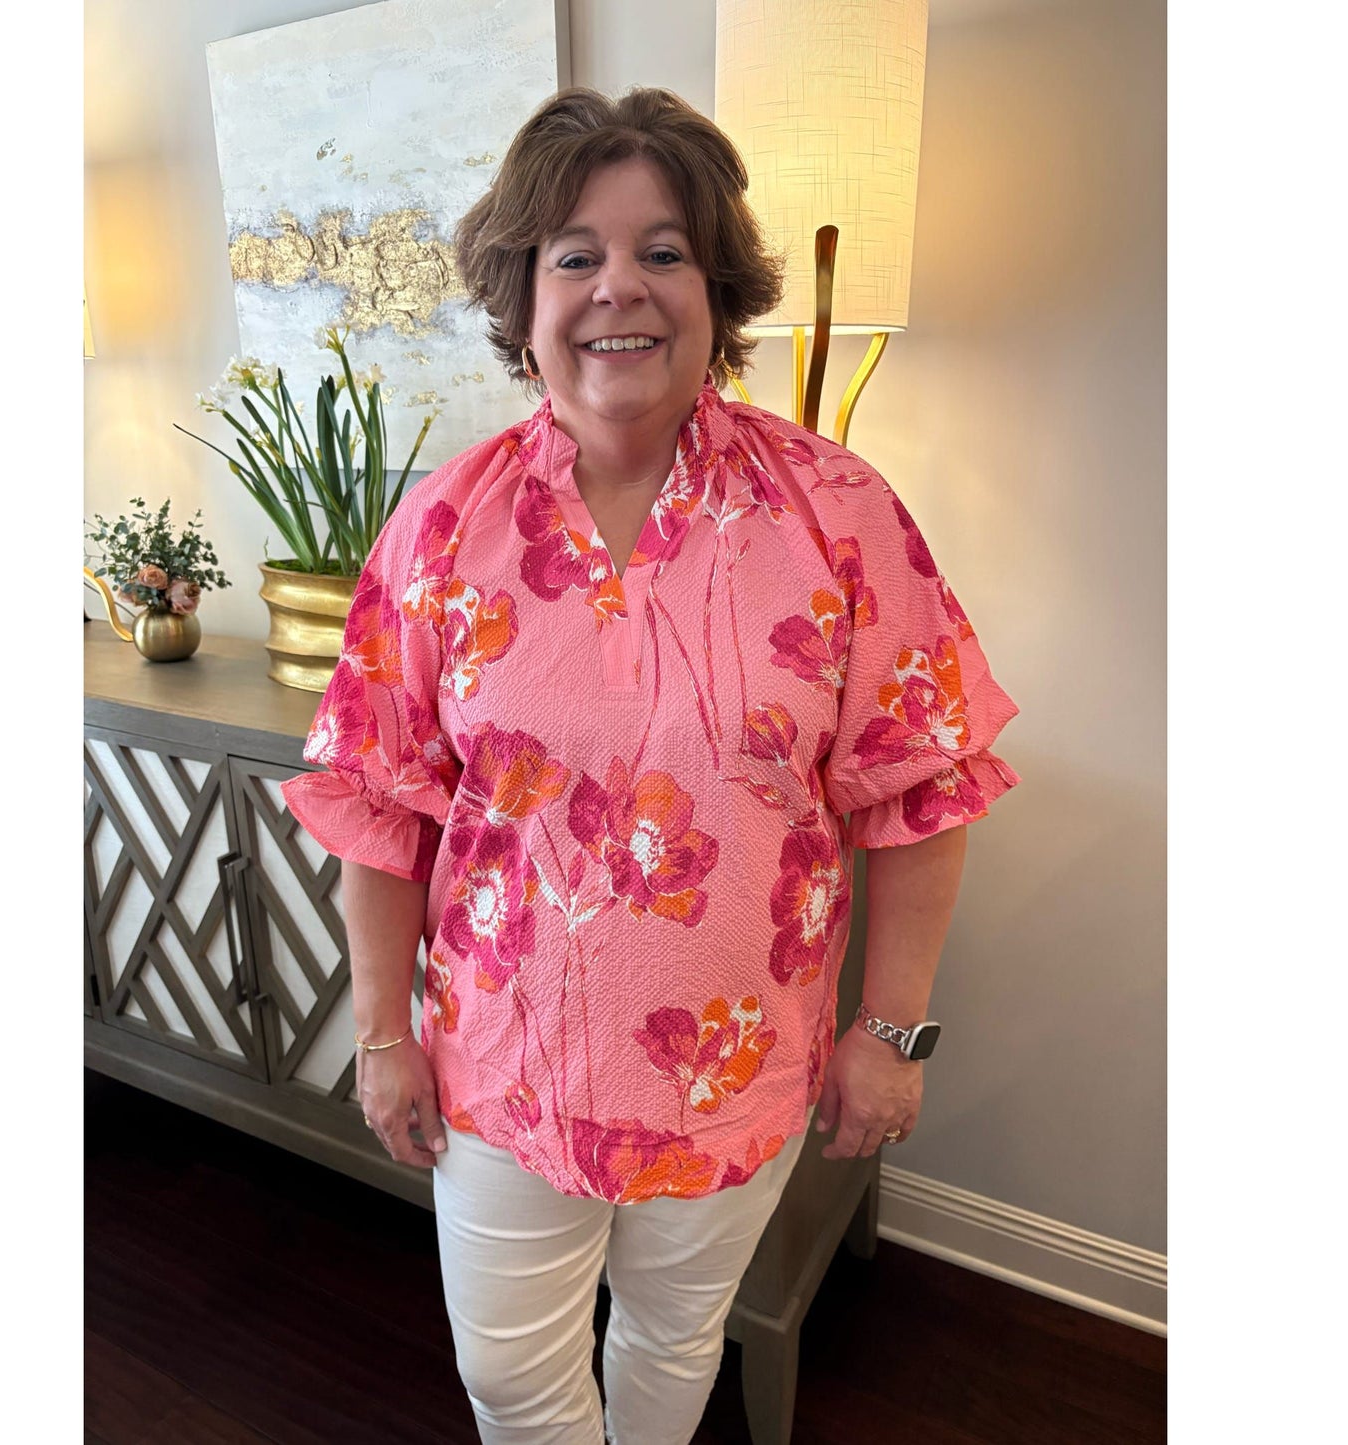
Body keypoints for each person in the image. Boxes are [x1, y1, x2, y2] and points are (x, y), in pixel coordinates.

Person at [281, 86, 1019, 1445]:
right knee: (512, 1378)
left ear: (714, 288)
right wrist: (383, 1037)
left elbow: (921, 787)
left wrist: (890, 1032)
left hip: (739, 1063)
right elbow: (382, 811)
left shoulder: (836, 512)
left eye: (661, 250)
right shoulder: (439, 527)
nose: (618, 285)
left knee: (677, 1340)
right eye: (576, 253)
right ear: (523, 296)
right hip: (502, 1068)